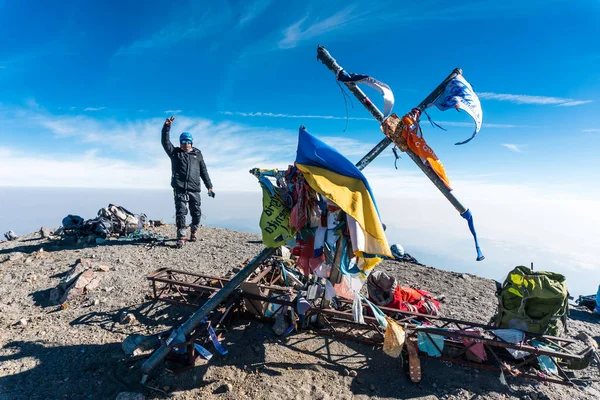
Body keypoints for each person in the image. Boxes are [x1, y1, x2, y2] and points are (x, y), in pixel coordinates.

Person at [161, 116, 215, 248]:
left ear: (192, 142)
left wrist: (209, 187)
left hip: (195, 189)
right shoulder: (175, 153)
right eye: (183, 141)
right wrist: (166, 127)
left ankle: (194, 230)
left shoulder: (198, 154)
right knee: (181, 212)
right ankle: (181, 236)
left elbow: (204, 171)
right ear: (180, 142)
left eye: (188, 141)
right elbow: (165, 142)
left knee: (196, 213)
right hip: (179, 188)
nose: (186, 144)